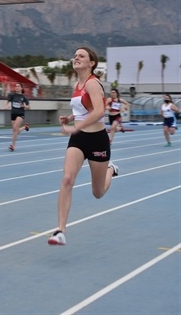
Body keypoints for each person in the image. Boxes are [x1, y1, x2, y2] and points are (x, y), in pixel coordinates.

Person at [48, 46, 118, 246]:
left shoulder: (93, 83)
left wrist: (75, 128)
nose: (76, 57)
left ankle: (110, 170)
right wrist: (70, 117)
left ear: (91, 63)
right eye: (75, 55)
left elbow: (98, 112)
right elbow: (82, 110)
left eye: (81, 56)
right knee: (67, 179)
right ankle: (60, 230)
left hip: (97, 140)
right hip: (78, 141)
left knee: (98, 193)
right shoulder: (77, 84)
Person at [5, 83, 30, 151]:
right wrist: (6, 105)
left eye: (18, 86)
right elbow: (7, 101)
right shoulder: (12, 95)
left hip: (20, 114)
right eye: (16, 86)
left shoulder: (24, 97)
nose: (17, 87)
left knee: (15, 128)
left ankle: (13, 145)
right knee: (15, 130)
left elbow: (28, 107)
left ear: (21, 88)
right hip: (13, 114)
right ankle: (25, 127)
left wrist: (24, 106)